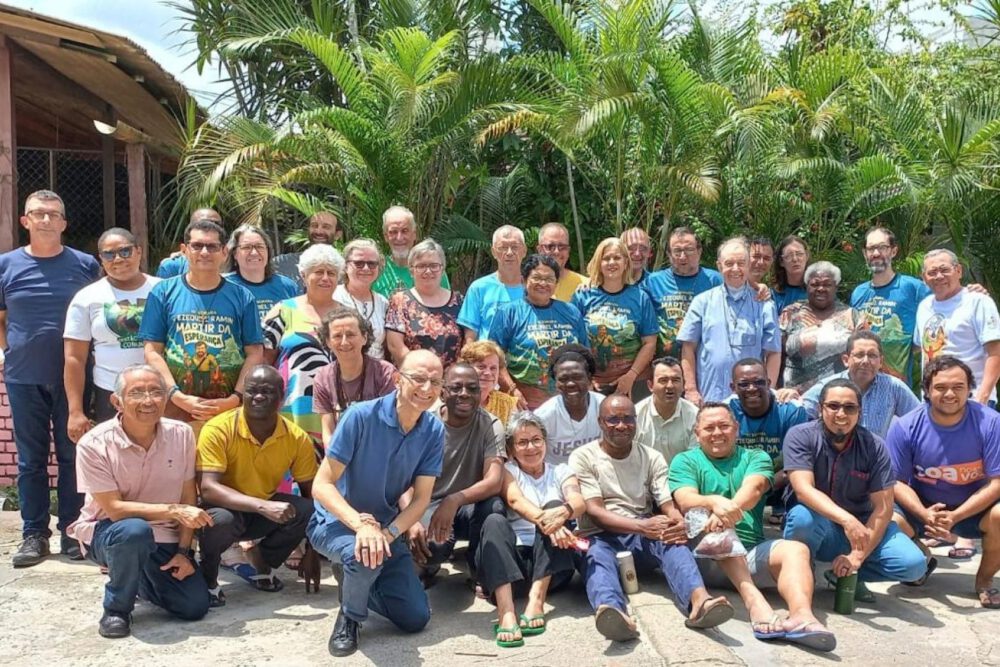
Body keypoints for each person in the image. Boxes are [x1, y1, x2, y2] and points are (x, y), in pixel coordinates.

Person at [307, 350, 446, 657]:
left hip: (384, 526)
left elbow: (422, 498)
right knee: (363, 555)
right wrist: (361, 526)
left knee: (415, 619)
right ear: (398, 380)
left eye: (435, 382)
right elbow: (322, 485)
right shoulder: (360, 416)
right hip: (335, 522)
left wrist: (388, 533)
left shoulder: (434, 430)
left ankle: (358, 584)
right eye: (418, 379)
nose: (426, 389)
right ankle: (350, 616)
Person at [669, 402, 835, 651]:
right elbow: (685, 499)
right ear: (697, 433)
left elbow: (754, 488)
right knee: (719, 530)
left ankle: (802, 617)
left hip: (749, 553)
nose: (717, 433)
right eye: (709, 427)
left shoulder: (756, 457)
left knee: (796, 550)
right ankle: (754, 602)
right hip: (704, 556)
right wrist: (714, 502)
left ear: (736, 429)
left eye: (724, 426)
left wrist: (727, 510)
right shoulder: (685, 460)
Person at [571, 395, 734, 641]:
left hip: (641, 535)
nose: (621, 425)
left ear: (636, 422)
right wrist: (642, 525)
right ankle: (612, 612)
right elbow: (594, 511)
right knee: (595, 555)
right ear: (600, 422)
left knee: (672, 540)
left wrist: (677, 521)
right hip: (599, 535)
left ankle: (700, 602)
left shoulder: (651, 456)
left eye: (627, 419)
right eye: (613, 419)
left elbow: (667, 503)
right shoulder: (584, 456)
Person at [67, 364, 211, 637]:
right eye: (137, 393)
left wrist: (183, 552)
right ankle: (117, 609)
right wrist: (174, 510)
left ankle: (137, 577)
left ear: (166, 398)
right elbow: (115, 510)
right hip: (110, 532)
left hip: (163, 537)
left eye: (156, 392)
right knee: (134, 531)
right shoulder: (93, 444)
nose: (148, 401)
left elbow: (188, 495)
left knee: (193, 607)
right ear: (117, 401)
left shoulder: (181, 434)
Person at [1, 189, 100, 567]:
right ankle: (33, 534)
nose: (45, 220)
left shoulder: (85, 264)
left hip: (73, 380)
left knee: (73, 456)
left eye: (53, 214)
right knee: (31, 461)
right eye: (38, 214)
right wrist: (12, 352)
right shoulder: (6, 265)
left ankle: (74, 532)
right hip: (23, 377)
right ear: (25, 221)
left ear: (63, 223)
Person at [782, 379, 928, 600]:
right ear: (821, 408)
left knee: (914, 566)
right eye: (833, 406)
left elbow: (883, 508)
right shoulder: (801, 435)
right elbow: (803, 490)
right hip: (820, 525)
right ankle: (802, 574)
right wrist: (846, 520)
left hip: (861, 529)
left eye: (849, 407)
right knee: (802, 519)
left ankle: (846, 573)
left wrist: (858, 556)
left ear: (860, 412)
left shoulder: (875, 446)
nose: (841, 413)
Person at [196, 365, 318, 606]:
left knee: (305, 510)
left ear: (282, 398)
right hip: (224, 508)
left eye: (267, 391)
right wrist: (262, 506)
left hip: (261, 511)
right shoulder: (218, 428)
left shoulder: (296, 438)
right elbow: (208, 488)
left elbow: (311, 496)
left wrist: (312, 551)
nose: (259, 396)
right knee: (220, 521)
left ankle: (263, 561)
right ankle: (208, 576)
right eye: (252, 391)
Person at [887, 356, 1000, 607]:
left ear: (969, 388)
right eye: (940, 387)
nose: (949, 394)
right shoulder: (905, 427)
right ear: (926, 390)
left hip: (974, 510)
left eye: (958, 387)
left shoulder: (991, 423)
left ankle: (985, 581)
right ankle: (921, 559)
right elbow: (895, 482)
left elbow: (997, 482)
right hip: (922, 508)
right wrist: (924, 514)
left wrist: (956, 516)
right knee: (888, 518)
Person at [140, 218, 263, 428]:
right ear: (184, 250)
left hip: (227, 410)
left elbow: (255, 352)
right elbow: (152, 351)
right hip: (176, 409)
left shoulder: (243, 296)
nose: (204, 252)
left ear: (224, 252)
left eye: (212, 246)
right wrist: (177, 396)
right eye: (197, 245)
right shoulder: (162, 292)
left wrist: (235, 398)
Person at [479, 411, 585, 647]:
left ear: (545, 442)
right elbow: (515, 500)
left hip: (552, 569)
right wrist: (548, 520)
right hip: (510, 569)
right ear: (511, 448)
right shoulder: (508, 471)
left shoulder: (561, 471)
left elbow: (578, 502)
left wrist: (561, 514)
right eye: (522, 442)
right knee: (494, 521)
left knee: (557, 506)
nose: (531, 447)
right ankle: (506, 613)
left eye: (536, 440)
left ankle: (537, 600)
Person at [404, 363, 506, 582]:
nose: (464, 394)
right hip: (426, 503)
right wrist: (409, 521)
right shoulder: (423, 423)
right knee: (432, 546)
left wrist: (454, 499)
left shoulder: (490, 424)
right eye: (456, 387)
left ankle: (479, 566)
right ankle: (427, 564)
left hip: (467, 505)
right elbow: (401, 481)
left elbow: (494, 480)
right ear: (443, 391)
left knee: (494, 507)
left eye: (472, 388)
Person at [65, 227, 160, 441]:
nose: (118, 259)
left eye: (125, 251)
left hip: (158, 392)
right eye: (109, 254)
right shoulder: (86, 298)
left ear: (138, 251)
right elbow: (74, 359)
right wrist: (75, 411)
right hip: (109, 393)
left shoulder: (163, 289)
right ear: (101, 259)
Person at [678, 237, 780, 404]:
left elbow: (773, 352)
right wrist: (690, 389)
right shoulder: (702, 302)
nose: (735, 269)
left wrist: (767, 391)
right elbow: (688, 348)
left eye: (741, 263)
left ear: (748, 265)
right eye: (729, 263)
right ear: (719, 266)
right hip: (708, 397)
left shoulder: (764, 305)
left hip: (750, 401)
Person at [263, 244, 345, 449]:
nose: (325, 278)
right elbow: (264, 360)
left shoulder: (348, 315)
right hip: (291, 408)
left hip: (336, 408)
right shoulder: (283, 310)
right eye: (318, 272)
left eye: (332, 273)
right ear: (303, 274)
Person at [488, 254, 588, 409]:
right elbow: (493, 358)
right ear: (523, 280)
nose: (543, 283)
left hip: (566, 403)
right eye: (537, 278)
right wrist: (512, 390)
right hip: (522, 403)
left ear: (556, 282)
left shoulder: (571, 312)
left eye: (549, 279)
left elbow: (584, 355)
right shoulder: (508, 313)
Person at [572, 237, 657, 396]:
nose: (612, 262)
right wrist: (586, 376)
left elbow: (650, 343)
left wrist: (631, 376)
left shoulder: (640, 297)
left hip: (634, 382)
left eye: (617, 258)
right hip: (593, 384)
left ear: (626, 262)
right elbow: (573, 340)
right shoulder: (582, 295)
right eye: (606, 258)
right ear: (599, 262)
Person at [728, 358, 808, 524]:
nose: (752, 388)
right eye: (743, 384)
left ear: (769, 383)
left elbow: (798, 463)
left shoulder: (791, 410)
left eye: (759, 382)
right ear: (733, 388)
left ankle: (786, 509)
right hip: (740, 483)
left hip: (781, 480)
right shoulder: (725, 411)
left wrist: (760, 487)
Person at [916, 248, 1000, 406]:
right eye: (932, 272)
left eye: (944, 270)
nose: (939, 276)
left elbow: (995, 352)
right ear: (924, 278)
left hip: (971, 400)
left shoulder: (977, 301)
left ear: (959, 271)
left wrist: (982, 397)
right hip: (932, 402)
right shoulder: (924, 307)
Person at [800, 331, 920, 438]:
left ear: (881, 362)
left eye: (872, 355)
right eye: (859, 355)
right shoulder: (829, 387)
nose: (866, 361)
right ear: (846, 360)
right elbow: (798, 414)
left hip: (875, 460)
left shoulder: (893, 387)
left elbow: (920, 421)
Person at [851, 227, 932, 384]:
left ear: (893, 251)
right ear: (864, 253)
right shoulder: (858, 293)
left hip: (898, 387)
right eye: (871, 248)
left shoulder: (913, 288)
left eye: (882, 247)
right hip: (861, 386)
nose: (876, 253)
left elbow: (945, 303)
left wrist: (969, 292)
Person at [313, 306, 397, 446]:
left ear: (364, 337)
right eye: (337, 336)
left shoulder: (385, 373)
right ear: (328, 342)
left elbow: (391, 427)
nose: (344, 342)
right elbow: (328, 432)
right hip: (340, 455)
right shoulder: (323, 378)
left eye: (351, 335)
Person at [779, 261, 860, 394]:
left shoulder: (852, 315)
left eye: (827, 284)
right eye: (815, 284)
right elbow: (776, 353)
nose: (821, 288)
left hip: (839, 397)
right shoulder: (791, 313)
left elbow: (862, 353)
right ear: (806, 287)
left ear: (836, 287)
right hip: (795, 396)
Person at [641, 227, 722, 359]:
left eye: (689, 250)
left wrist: (759, 287)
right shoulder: (653, 282)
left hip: (703, 362)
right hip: (665, 365)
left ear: (699, 251)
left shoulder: (715, 280)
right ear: (669, 254)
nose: (683, 256)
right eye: (677, 251)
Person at [385, 239, 464, 367]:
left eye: (434, 265)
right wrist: (426, 375)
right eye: (421, 266)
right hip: (415, 378)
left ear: (442, 269)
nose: (428, 271)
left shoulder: (459, 301)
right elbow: (395, 346)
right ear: (411, 271)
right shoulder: (399, 301)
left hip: (452, 381)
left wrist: (455, 375)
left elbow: (468, 341)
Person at [535, 344, 604, 465]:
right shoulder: (544, 416)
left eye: (577, 377)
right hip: (557, 478)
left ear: (589, 378)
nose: (571, 383)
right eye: (563, 379)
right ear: (556, 382)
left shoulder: (603, 407)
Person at [458, 225, 526, 342]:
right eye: (503, 247)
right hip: (489, 358)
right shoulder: (479, 288)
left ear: (524, 251)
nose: (509, 253)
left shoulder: (534, 288)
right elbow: (470, 337)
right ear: (493, 252)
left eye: (514, 247)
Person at [223, 223, 300, 323]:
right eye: (246, 247)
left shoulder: (287, 286)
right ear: (234, 254)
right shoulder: (223, 287)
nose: (254, 253)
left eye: (259, 247)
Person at [633, 356, 698, 464]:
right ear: (650, 386)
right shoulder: (636, 415)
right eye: (663, 380)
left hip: (682, 477)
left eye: (676, 380)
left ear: (683, 384)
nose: (670, 386)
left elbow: (693, 461)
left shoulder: (695, 416)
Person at [372, 206, 450, 296]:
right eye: (393, 232)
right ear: (386, 236)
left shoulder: (433, 270)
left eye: (405, 231)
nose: (399, 238)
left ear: (414, 234)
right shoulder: (375, 270)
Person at [333, 238, 389, 359]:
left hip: (378, 373)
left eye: (372, 264)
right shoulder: (333, 297)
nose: (366, 268)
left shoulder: (383, 302)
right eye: (359, 263)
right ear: (345, 266)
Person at [272, 210, 341, 288]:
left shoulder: (346, 268)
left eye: (326, 227)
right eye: (314, 225)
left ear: (337, 234)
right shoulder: (282, 264)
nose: (318, 231)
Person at [459, 340, 519, 427]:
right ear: (467, 368)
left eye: (493, 368)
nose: (488, 373)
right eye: (481, 367)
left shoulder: (507, 404)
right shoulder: (455, 400)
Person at [155, 207, 222, 278]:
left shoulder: (232, 262)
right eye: (202, 223)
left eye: (216, 224)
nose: (209, 227)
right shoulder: (173, 267)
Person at [536, 222, 586, 302]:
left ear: (568, 251)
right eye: (550, 246)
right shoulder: (528, 284)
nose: (556, 252)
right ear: (539, 250)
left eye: (562, 247)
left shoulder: (585, 285)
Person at [773, 235, 810, 313]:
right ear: (781, 261)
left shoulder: (819, 290)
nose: (795, 259)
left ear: (806, 256)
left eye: (799, 254)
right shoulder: (773, 295)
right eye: (789, 256)